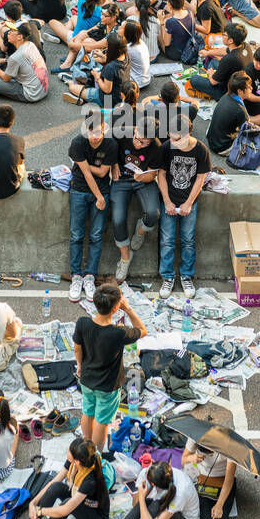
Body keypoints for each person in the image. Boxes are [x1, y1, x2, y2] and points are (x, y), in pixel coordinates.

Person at [74, 283, 146, 453]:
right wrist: (128, 309)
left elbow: (77, 348)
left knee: (88, 412)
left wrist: (79, 365)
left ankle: (86, 445)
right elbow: (142, 330)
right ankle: (95, 454)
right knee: (102, 421)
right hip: (108, 385)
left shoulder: (83, 323)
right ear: (115, 309)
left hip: (86, 379)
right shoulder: (118, 333)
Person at [9, 438, 110, 519]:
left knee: (65, 505)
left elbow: (65, 510)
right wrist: (33, 503)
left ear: (77, 461)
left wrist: (39, 510)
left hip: (95, 517)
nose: (67, 452)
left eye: (69, 451)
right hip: (78, 498)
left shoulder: (90, 480)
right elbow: (54, 481)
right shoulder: (75, 461)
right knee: (55, 487)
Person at [67, 119, 118, 304]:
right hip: (80, 190)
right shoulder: (78, 143)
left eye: (99, 133)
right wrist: (99, 197)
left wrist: (86, 165)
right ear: (86, 131)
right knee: (76, 235)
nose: (95, 137)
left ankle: (89, 277)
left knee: (96, 235)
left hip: (101, 190)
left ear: (104, 130)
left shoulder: (111, 145)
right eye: (91, 133)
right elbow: (87, 174)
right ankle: (76, 277)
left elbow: (104, 172)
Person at [158, 126, 211, 299]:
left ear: (188, 134)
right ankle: (167, 277)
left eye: (176, 139)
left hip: (189, 201)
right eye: (171, 138)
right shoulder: (167, 147)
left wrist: (188, 203)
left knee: (188, 240)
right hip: (169, 199)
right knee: (167, 240)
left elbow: (200, 179)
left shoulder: (201, 150)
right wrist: (167, 201)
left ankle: (186, 276)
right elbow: (162, 175)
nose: (173, 143)